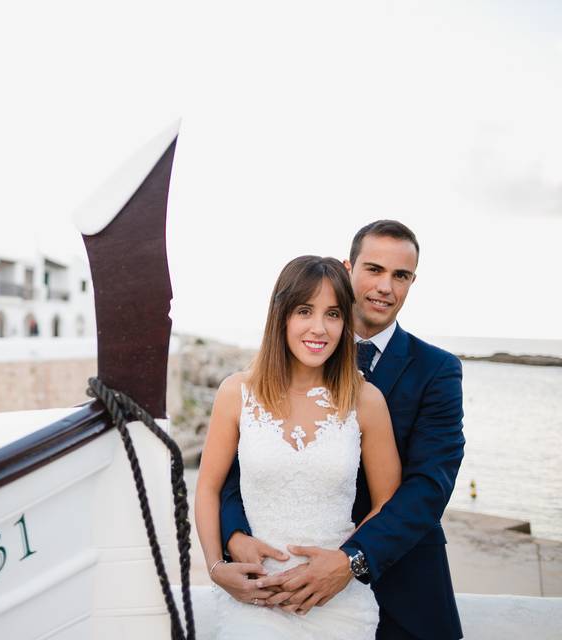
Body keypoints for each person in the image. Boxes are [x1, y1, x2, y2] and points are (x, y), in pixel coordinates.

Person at [217, 220, 465, 639]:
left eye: (400, 276)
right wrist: (234, 535)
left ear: (411, 283)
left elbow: (429, 487)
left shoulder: (437, 370)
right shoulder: (281, 366)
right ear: (348, 269)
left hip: (402, 583)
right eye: (374, 269)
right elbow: (236, 472)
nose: (385, 286)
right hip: (281, 583)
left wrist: (351, 560)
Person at [196, 254, 402, 639]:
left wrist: (346, 566)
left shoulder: (367, 401)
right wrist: (216, 568)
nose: (319, 328)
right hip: (255, 597)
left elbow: (386, 505)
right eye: (305, 311)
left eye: (334, 314)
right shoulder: (235, 393)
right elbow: (208, 488)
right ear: (282, 315)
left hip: (336, 599)